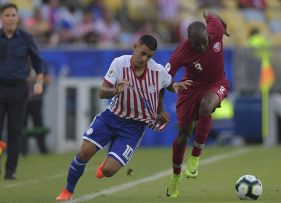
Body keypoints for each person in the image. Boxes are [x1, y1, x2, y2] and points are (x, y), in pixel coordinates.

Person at [56, 34, 191, 201]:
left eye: (149, 56)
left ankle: (106, 163)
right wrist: (115, 90)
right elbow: (101, 92)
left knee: (108, 171)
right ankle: (68, 191)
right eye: (142, 53)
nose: (144, 58)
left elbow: (167, 84)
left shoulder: (157, 71)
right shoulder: (119, 63)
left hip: (133, 127)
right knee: (84, 152)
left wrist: (172, 90)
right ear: (134, 46)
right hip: (112, 117)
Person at [165, 10, 230, 198]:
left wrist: (224, 27)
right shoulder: (181, 53)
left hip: (217, 83)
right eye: (197, 44)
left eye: (205, 42)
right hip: (190, 89)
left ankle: (195, 157)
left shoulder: (215, 30)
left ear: (209, 35)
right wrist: (173, 85)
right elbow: (165, 79)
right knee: (183, 134)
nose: (202, 47)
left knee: (206, 106)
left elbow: (211, 14)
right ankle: (175, 178)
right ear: (188, 41)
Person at [0, 3, 44, 180]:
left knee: (15, 131)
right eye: (7, 15)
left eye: (13, 15)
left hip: (19, 89)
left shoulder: (26, 38)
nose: (11, 18)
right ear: (2, 18)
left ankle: (11, 170)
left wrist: (39, 82)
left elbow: (37, 62)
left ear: (18, 18)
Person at [21, 66, 51, 155]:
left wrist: (37, 80)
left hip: (36, 101)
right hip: (23, 100)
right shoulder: (20, 64)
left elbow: (48, 79)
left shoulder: (40, 64)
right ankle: (23, 150)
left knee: (38, 125)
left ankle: (43, 150)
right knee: (22, 125)